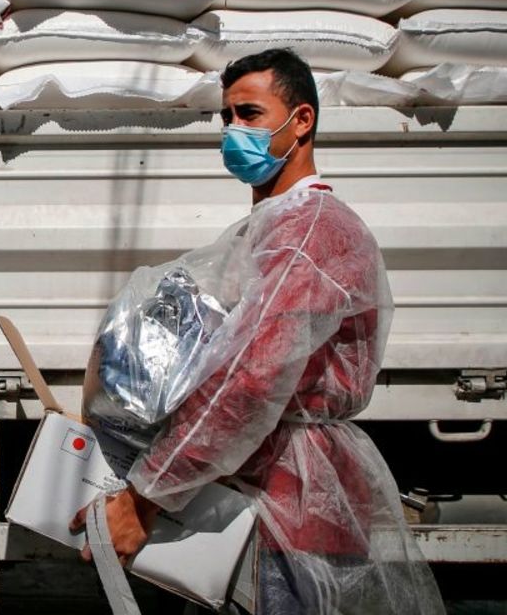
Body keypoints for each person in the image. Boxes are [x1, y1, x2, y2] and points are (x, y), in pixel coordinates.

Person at [70, 49, 446, 613]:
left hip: (288, 503)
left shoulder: (312, 229)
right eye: (227, 118)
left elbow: (247, 379)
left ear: (301, 121)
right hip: (253, 496)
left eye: (249, 114)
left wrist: (145, 498)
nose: (232, 131)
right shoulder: (271, 226)